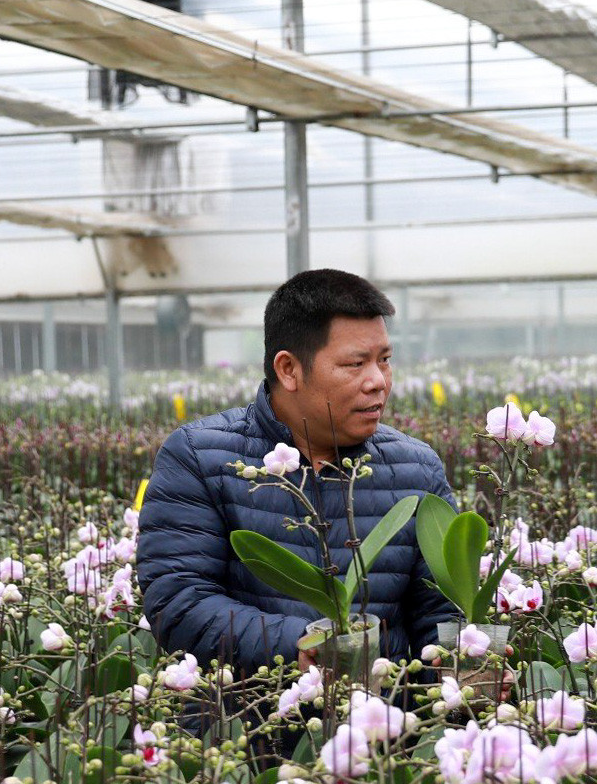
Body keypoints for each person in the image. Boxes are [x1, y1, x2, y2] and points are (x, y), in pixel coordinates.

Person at [135, 268, 459, 683]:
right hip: (248, 730)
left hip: (381, 730)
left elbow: (441, 611)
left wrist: (463, 666)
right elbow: (178, 601)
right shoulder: (200, 457)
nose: (378, 382)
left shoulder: (416, 469)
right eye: (354, 364)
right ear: (288, 369)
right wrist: (299, 645)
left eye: (384, 360)